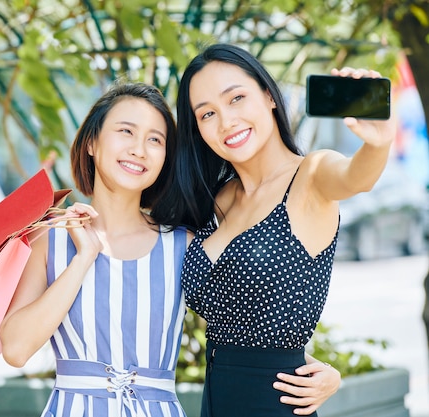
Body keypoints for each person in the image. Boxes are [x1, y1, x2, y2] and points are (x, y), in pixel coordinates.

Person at [0, 82, 342, 416]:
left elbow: (246, 326)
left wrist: (322, 371)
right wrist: (84, 257)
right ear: (91, 141)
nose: (139, 149)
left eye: (155, 140)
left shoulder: (181, 244)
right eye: (126, 132)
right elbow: (15, 349)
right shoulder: (50, 239)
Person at [153, 43, 395, 416]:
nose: (226, 122)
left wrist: (377, 145)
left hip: (276, 406)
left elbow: (353, 178)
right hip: (216, 401)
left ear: (268, 95)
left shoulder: (310, 176)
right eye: (207, 114)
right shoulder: (218, 198)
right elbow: (249, 320)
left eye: (236, 98)